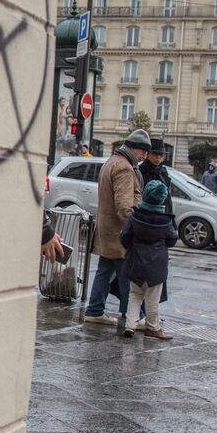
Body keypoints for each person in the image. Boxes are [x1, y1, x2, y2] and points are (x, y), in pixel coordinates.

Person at [83, 129, 150, 331]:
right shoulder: (124, 168)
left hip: (107, 228)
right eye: (143, 152)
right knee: (126, 275)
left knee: (105, 269)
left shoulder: (111, 161)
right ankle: (133, 315)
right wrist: (135, 227)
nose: (144, 156)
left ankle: (94, 311)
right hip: (119, 232)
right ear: (134, 149)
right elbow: (124, 206)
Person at [119, 179, 177, 340]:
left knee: (134, 295)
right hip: (156, 266)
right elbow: (172, 240)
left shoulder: (135, 217)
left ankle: (130, 325)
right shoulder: (166, 221)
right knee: (152, 299)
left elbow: (124, 236)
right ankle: (153, 327)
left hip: (135, 262)